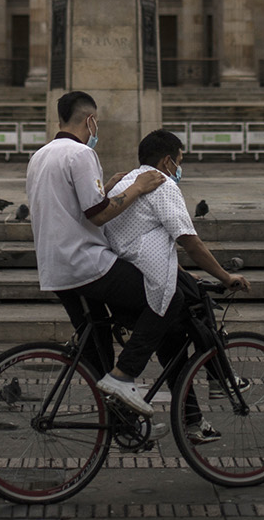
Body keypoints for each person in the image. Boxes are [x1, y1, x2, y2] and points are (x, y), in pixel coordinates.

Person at [24, 89, 170, 418]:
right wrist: (137, 187)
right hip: (88, 265)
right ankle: (126, 374)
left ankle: (121, 421)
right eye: (96, 122)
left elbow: (70, 205)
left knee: (98, 351)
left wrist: (107, 187)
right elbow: (98, 214)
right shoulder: (80, 154)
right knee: (166, 296)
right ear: (90, 120)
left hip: (56, 270)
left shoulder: (41, 155)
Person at [101, 128, 251, 440]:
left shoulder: (129, 181)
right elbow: (189, 241)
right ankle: (219, 376)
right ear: (168, 161)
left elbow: (146, 235)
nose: (180, 168)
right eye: (180, 161)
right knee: (196, 303)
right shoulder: (162, 183)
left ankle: (193, 418)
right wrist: (225, 276)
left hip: (130, 272)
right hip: (147, 279)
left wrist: (181, 273)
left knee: (174, 338)